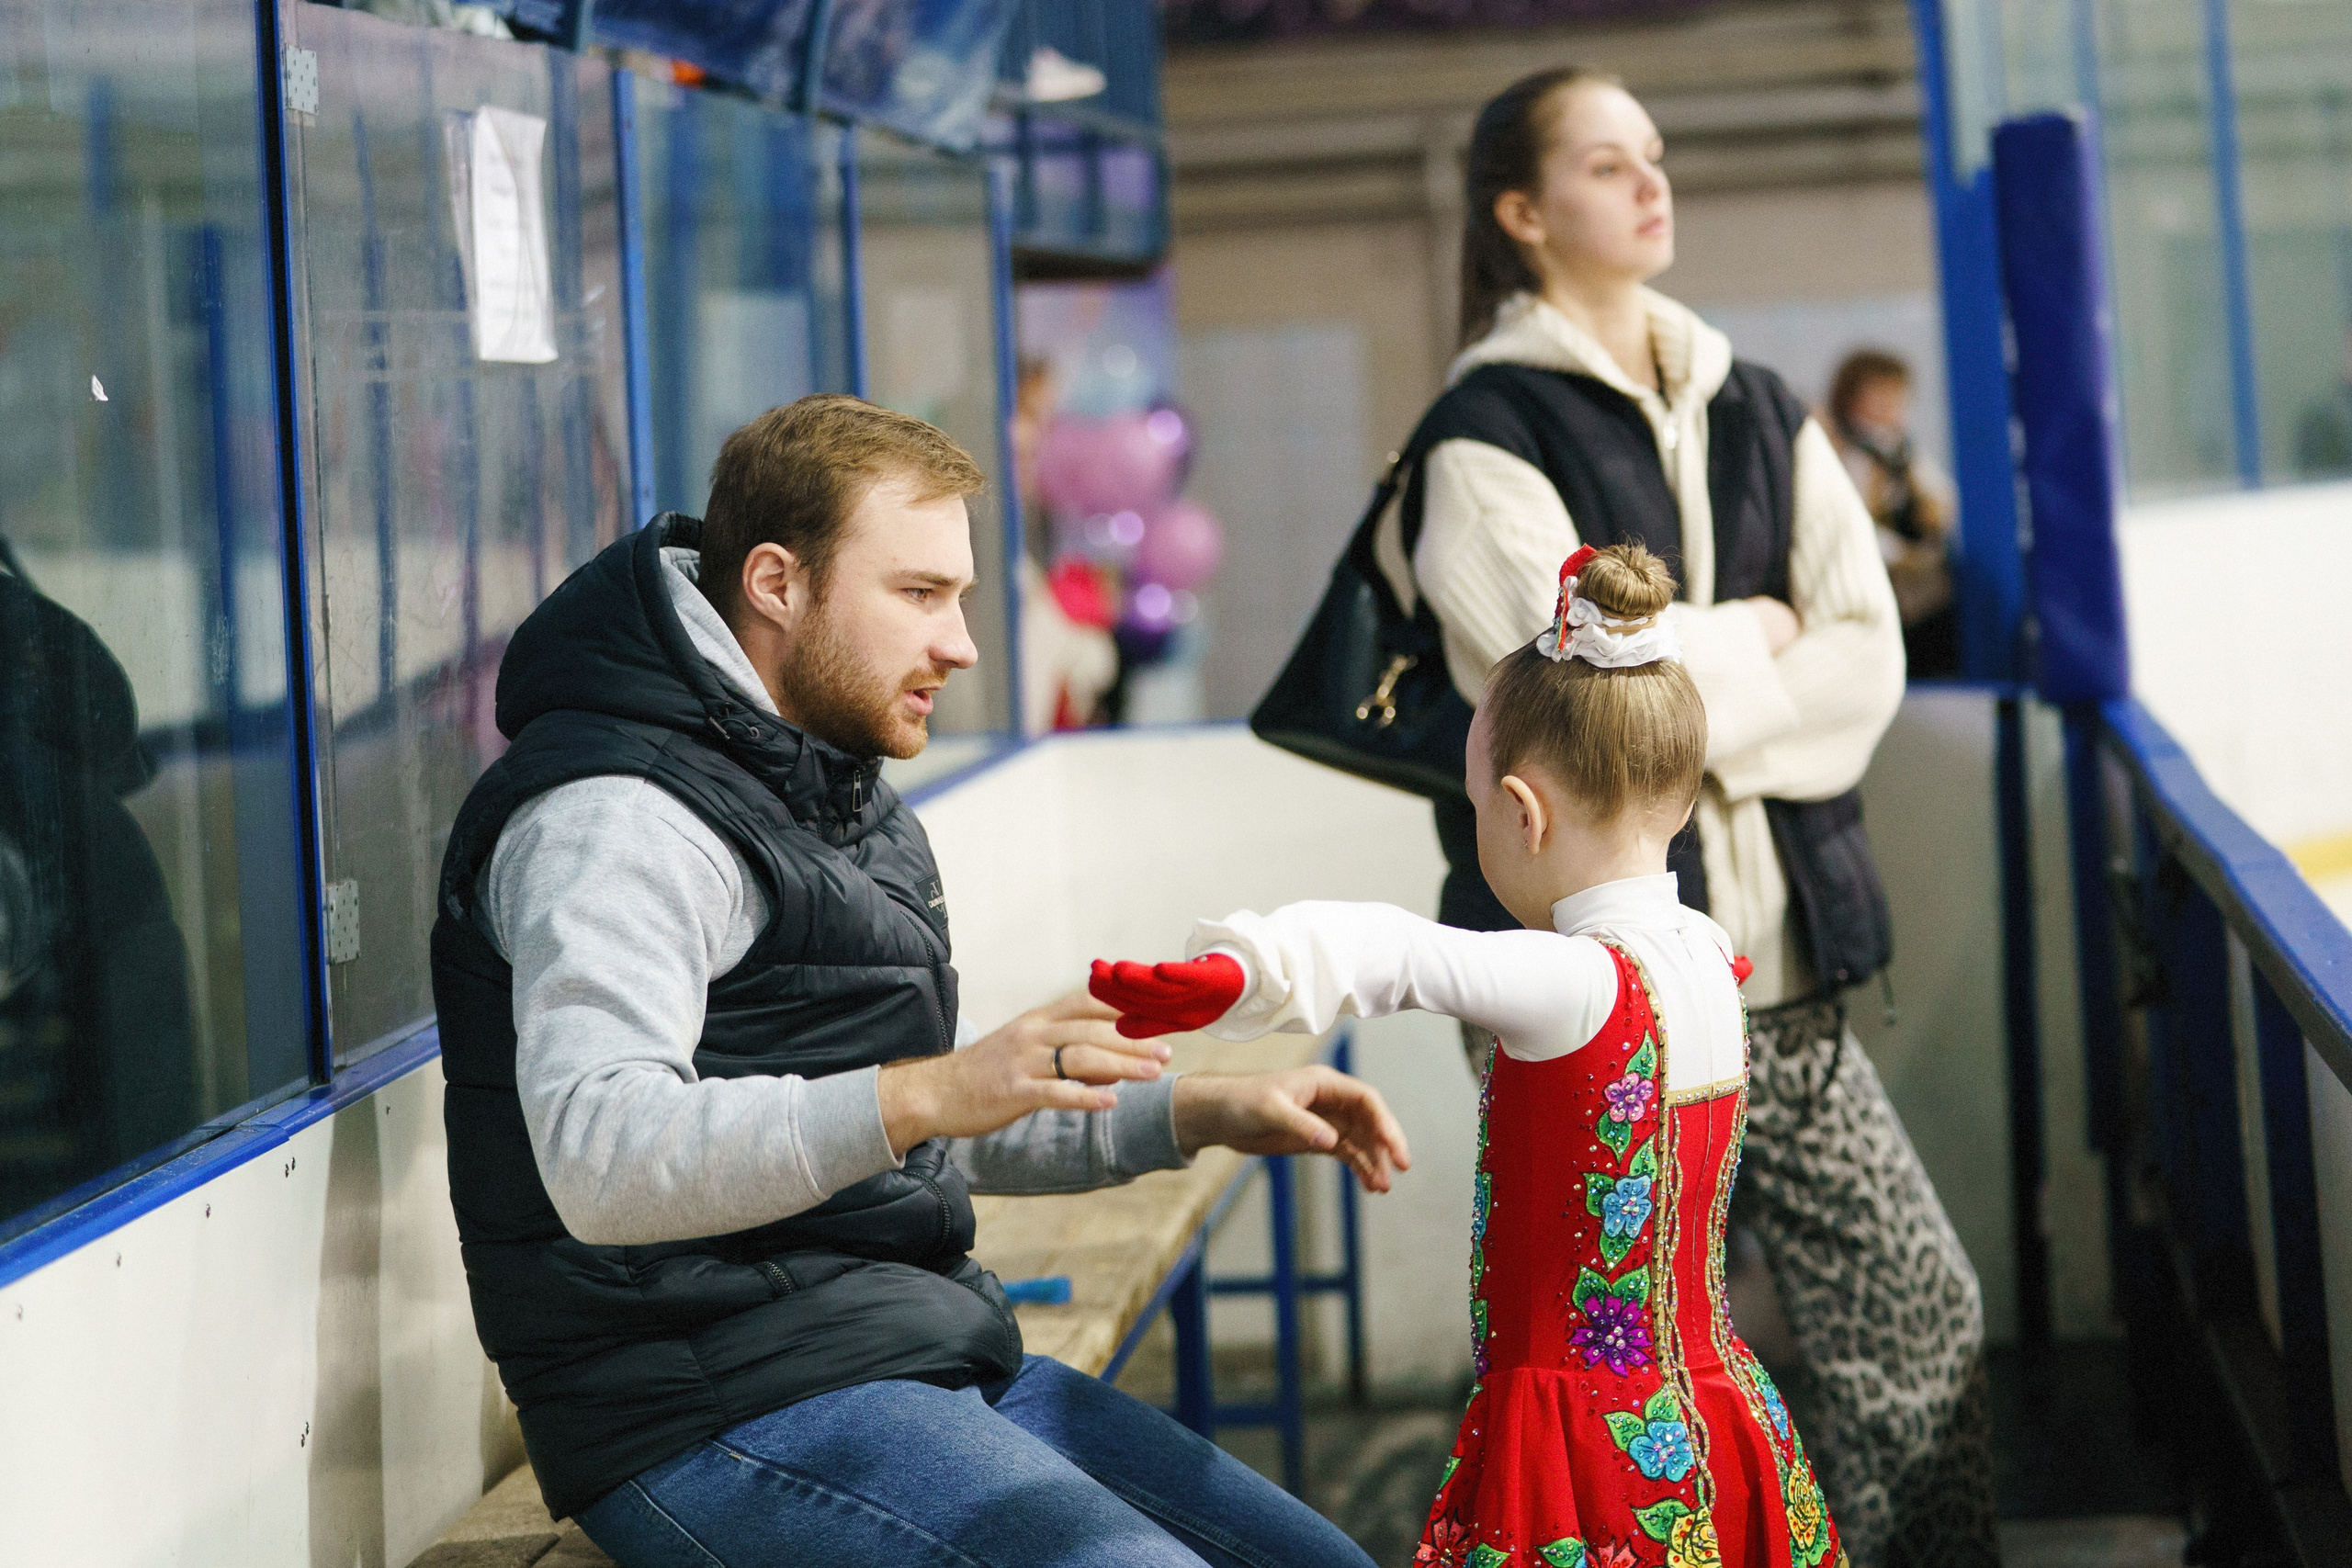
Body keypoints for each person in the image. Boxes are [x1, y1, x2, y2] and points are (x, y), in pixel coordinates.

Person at [427, 395, 1411, 1567]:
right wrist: (925, 1090)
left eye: (960, 596)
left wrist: (1196, 1111)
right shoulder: (618, 817)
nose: (963, 644)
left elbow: (889, 1133)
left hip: (907, 1354)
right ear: (777, 584)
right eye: (918, 595)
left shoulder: (824, 782)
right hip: (703, 1412)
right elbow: (602, 1158)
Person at [1375, 66, 1997, 1568]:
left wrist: (1705, 689)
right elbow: (1577, 717)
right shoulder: (1479, 440)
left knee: (1923, 1320)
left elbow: (1871, 657)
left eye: (1654, 155)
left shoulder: (1761, 402)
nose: (1651, 182)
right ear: (1524, 215)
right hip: (1592, 1003)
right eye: (1607, 163)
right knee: (1621, 1392)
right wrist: (1762, 632)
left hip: (1773, 976)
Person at [1095, 545, 1845, 1568]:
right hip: (1718, 1413)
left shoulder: (1581, 985)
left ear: (1523, 813)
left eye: (1477, 802)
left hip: (1588, 1458)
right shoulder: (1710, 956)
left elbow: (1401, 955)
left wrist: (1249, 970)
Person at [1824, 351, 1958, 677]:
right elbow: (1852, 519)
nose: (1891, 405)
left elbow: (1941, 501)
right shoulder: (1845, 452)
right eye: (1879, 395)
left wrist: (1932, 516)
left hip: (1916, 572)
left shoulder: (1903, 452)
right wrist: (1903, 554)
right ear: (1851, 398)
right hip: (1876, 572)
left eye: (1897, 397)